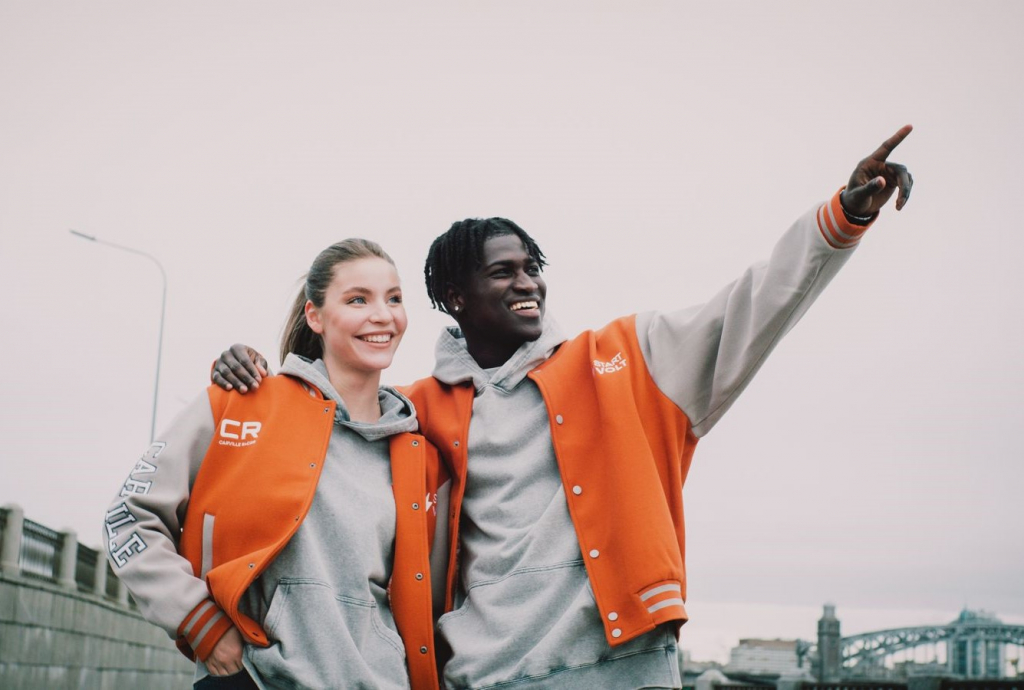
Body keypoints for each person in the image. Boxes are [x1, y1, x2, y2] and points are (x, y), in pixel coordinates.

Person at [213, 126, 914, 689]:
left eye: (532, 268)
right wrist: (253, 375)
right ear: (455, 297)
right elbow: (315, 463)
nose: (528, 285)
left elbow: (752, 308)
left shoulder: (627, 360)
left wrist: (842, 218)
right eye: (504, 272)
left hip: (623, 669)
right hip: (482, 675)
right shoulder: (414, 411)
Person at [104, 239, 448, 690]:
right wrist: (198, 621)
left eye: (394, 298)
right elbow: (127, 516)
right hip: (255, 678)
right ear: (315, 316)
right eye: (358, 299)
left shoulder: (419, 453)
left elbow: (426, 599)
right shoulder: (240, 404)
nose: (383, 315)